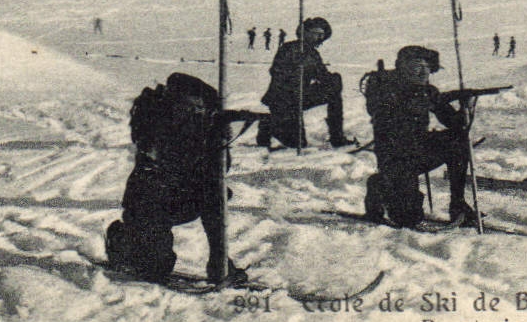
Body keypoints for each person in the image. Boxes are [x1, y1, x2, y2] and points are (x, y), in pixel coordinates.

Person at [105, 73, 247, 284]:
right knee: (156, 269)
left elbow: (219, 173)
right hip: (148, 203)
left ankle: (219, 262)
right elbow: (157, 167)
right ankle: (120, 240)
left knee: (216, 191)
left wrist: (219, 143)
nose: (201, 114)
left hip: (176, 199)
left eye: (203, 110)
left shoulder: (200, 129)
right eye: (196, 109)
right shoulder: (154, 122)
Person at [360, 46, 476, 227]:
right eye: (416, 66)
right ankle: (379, 185)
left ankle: (458, 205)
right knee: (408, 218)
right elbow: (388, 108)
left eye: (428, 67)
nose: (423, 72)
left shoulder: (427, 91)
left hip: (418, 152)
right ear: (402, 66)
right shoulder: (384, 85)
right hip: (395, 159)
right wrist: (431, 99)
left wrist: (464, 108)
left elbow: (453, 123)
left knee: (458, 140)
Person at [257, 16, 351, 149]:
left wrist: (334, 80)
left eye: (322, 35)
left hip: (300, 97)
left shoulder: (313, 54)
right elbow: (276, 72)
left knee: (334, 91)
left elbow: (323, 76)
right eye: (316, 34)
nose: (319, 38)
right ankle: (268, 124)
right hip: (283, 100)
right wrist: (296, 70)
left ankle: (337, 137)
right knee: (297, 144)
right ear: (305, 32)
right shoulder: (288, 48)